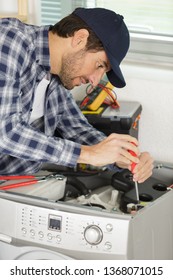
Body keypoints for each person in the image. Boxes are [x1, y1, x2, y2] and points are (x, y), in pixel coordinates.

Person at [0, 7, 153, 182]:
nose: (95, 81)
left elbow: (77, 128)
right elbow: (5, 133)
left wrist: (121, 157)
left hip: (15, 183)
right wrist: (87, 154)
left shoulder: (56, 75)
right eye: (99, 65)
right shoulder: (9, 40)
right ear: (80, 39)